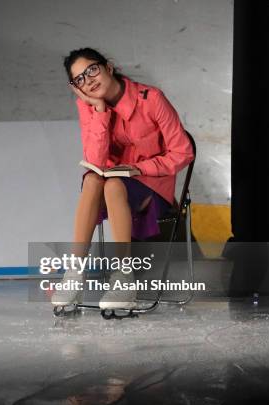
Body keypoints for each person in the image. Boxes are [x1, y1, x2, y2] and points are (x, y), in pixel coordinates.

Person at [51, 47, 195, 309]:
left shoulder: (150, 98)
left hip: (151, 190)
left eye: (91, 69)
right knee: (94, 179)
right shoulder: (87, 105)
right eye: (79, 79)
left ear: (109, 66)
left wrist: (141, 169)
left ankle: (123, 279)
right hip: (107, 188)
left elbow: (183, 152)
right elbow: (94, 161)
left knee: (114, 183)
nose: (89, 80)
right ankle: (74, 275)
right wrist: (99, 111)